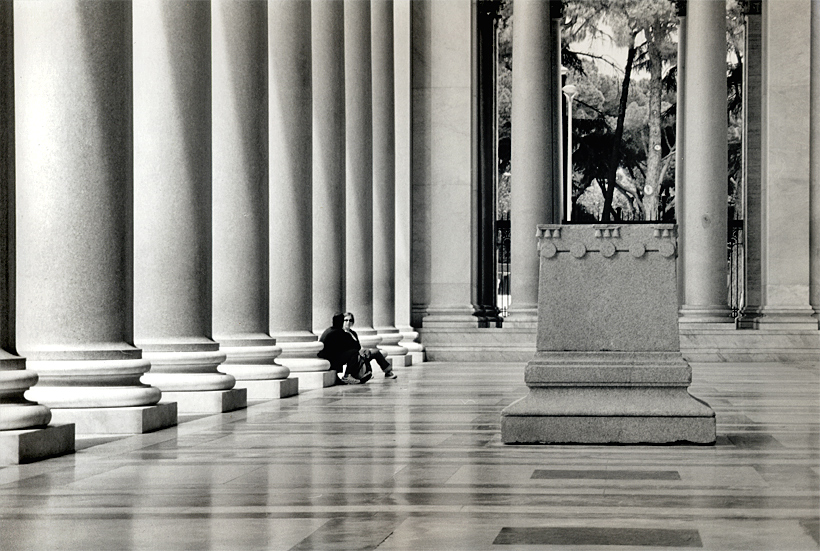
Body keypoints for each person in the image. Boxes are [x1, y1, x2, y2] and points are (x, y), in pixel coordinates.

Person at [318, 312, 397, 385]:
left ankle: (387, 371)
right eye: (346, 320)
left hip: (357, 355)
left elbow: (357, 347)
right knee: (358, 353)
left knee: (375, 352)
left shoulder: (353, 333)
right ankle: (354, 374)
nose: (348, 322)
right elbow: (345, 349)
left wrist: (364, 351)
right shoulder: (339, 332)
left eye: (350, 320)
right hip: (352, 357)